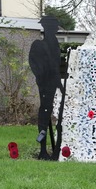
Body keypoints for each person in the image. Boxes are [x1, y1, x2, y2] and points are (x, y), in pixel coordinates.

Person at [29, 16, 64, 160]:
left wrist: (59, 82)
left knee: (57, 113)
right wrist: (42, 79)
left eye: (55, 28)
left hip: (54, 82)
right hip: (45, 84)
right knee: (44, 112)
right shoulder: (39, 45)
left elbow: (57, 65)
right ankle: (43, 150)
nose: (54, 30)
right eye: (52, 27)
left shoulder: (55, 44)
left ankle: (57, 148)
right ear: (46, 28)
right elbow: (35, 64)